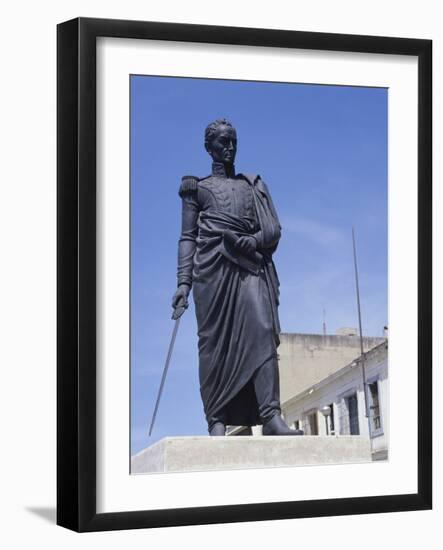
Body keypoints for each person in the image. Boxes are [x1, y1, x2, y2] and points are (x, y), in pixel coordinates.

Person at [172, 118, 302, 436]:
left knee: (263, 327)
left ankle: (271, 415)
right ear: (208, 147)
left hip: (249, 265)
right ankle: (216, 419)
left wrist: (253, 242)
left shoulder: (252, 185)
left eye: (233, 141)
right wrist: (183, 283)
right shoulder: (196, 188)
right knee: (213, 345)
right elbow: (187, 237)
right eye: (222, 142)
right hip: (212, 272)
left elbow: (273, 229)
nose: (229, 147)